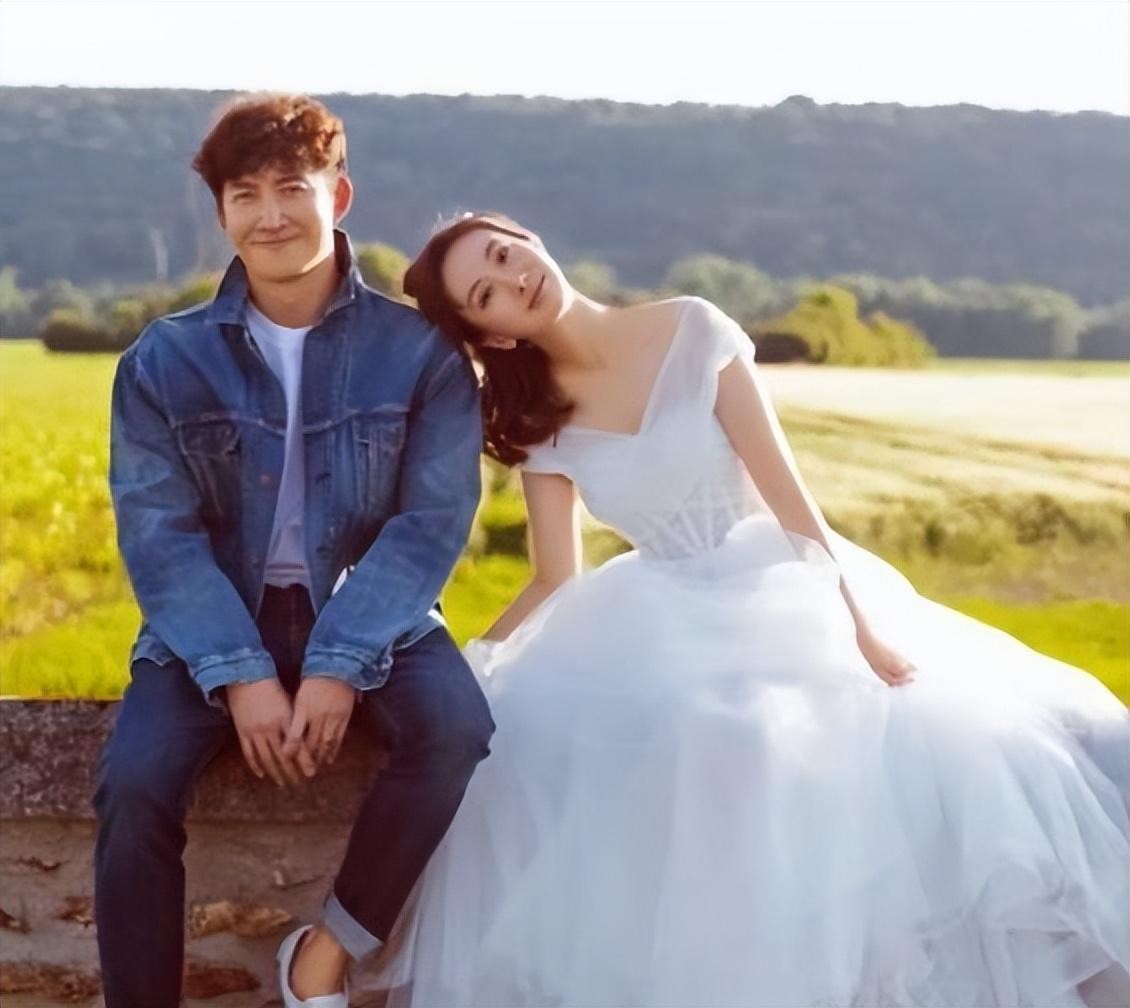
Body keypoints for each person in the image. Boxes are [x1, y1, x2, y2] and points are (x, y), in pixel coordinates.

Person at [366, 211, 1130, 1007]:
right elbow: (556, 576)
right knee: (606, 742)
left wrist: (860, 622)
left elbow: (790, 499)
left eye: (503, 255)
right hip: (658, 611)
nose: (512, 281)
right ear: (491, 335)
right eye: (486, 294)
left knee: (787, 734)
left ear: (527, 239)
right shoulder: (538, 422)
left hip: (779, 584)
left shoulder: (692, 330)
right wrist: (471, 661)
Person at [92, 96, 493, 1008]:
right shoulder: (162, 361)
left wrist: (341, 660)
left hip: (371, 608)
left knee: (456, 728)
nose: (270, 215)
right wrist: (240, 673)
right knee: (133, 783)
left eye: (291, 188)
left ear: (337, 195)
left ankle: (325, 952)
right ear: (223, 213)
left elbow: (430, 524)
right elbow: (159, 536)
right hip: (213, 613)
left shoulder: (421, 354)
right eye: (245, 195)